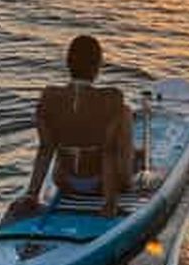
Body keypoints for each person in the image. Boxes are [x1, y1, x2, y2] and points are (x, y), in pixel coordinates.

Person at [11, 36, 132, 218]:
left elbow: (45, 149)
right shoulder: (112, 97)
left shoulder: (49, 96)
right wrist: (110, 203)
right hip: (100, 184)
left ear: (68, 63)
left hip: (65, 182)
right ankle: (135, 162)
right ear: (99, 64)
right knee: (125, 112)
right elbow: (110, 152)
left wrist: (32, 194)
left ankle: (34, 193)